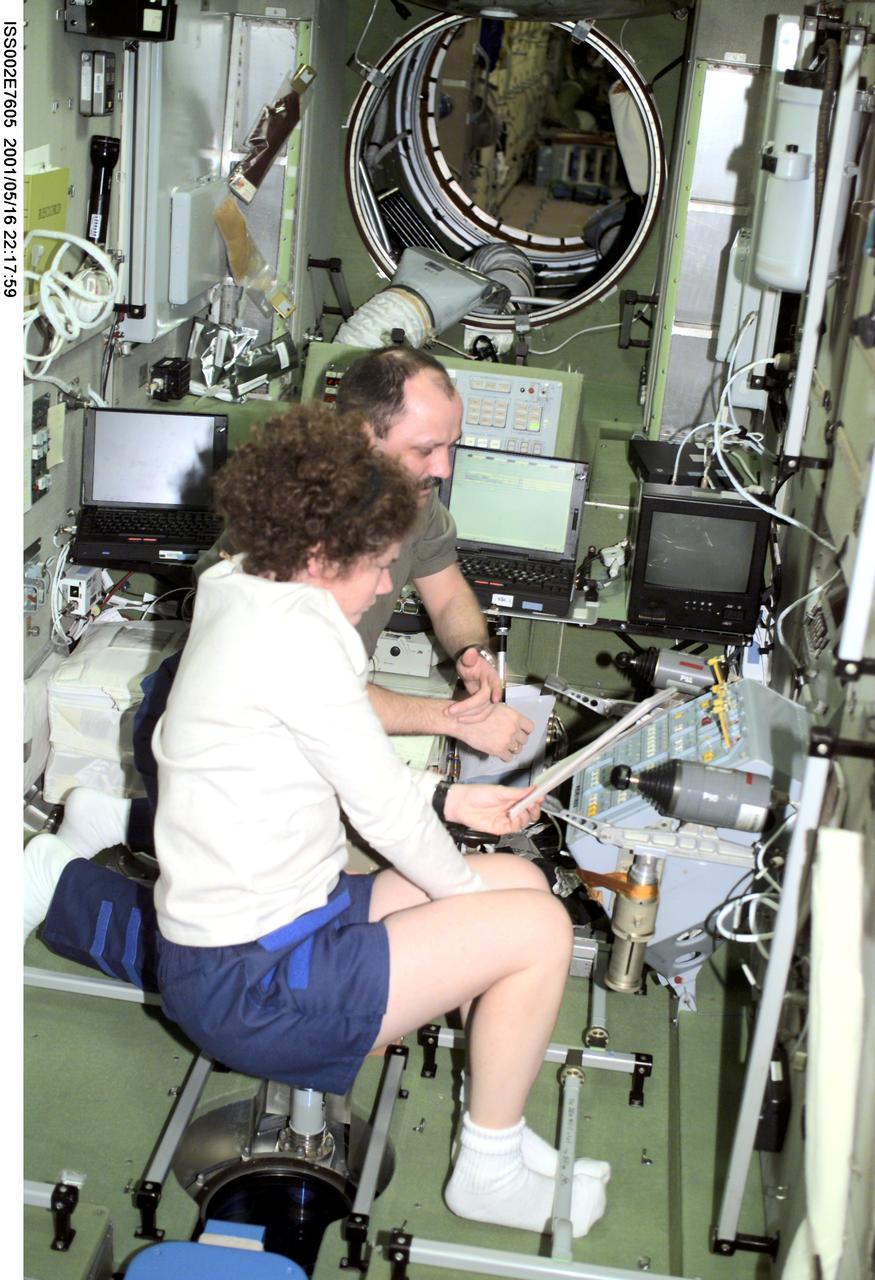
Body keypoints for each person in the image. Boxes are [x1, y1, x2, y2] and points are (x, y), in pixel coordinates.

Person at [25, 405, 609, 1238]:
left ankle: (499, 1125)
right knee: (536, 928)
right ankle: (488, 1165)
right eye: (375, 565)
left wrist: (452, 814)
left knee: (514, 879)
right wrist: (458, 901)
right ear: (314, 553)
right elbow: (378, 805)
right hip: (250, 986)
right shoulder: (300, 640)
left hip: (289, 915)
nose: (384, 586)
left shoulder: (240, 583)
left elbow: (329, 769)